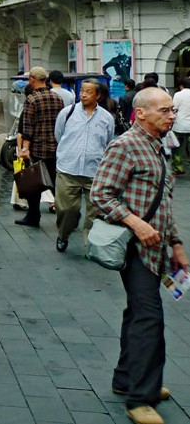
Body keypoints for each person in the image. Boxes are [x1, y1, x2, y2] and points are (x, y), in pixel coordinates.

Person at [91, 87, 185, 424]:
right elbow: (100, 194)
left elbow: (163, 202)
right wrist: (135, 223)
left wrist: (176, 244)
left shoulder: (158, 146)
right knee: (149, 318)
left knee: (137, 314)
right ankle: (140, 398)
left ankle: (126, 378)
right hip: (134, 247)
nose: (171, 116)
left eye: (173, 110)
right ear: (140, 113)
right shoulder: (125, 145)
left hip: (156, 246)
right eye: (164, 111)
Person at [53, 78, 115, 253]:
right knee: (66, 209)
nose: (83, 95)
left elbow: (108, 141)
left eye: (88, 92)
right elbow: (59, 135)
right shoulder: (67, 113)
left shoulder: (106, 118)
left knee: (94, 212)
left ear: (98, 95)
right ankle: (63, 235)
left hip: (94, 173)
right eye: (82, 91)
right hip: (68, 170)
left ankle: (90, 244)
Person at [16, 67, 64, 228]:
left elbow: (28, 127)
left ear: (32, 80)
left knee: (34, 184)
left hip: (38, 148)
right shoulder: (57, 98)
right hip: (56, 147)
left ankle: (33, 216)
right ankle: (65, 213)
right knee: (57, 182)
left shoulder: (32, 99)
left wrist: (24, 149)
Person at [170, 77, 190, 176]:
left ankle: (178, 167)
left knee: (176, 146)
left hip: (180, 125)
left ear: (182, 85)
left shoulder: (178, 95)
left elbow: (174, 108)